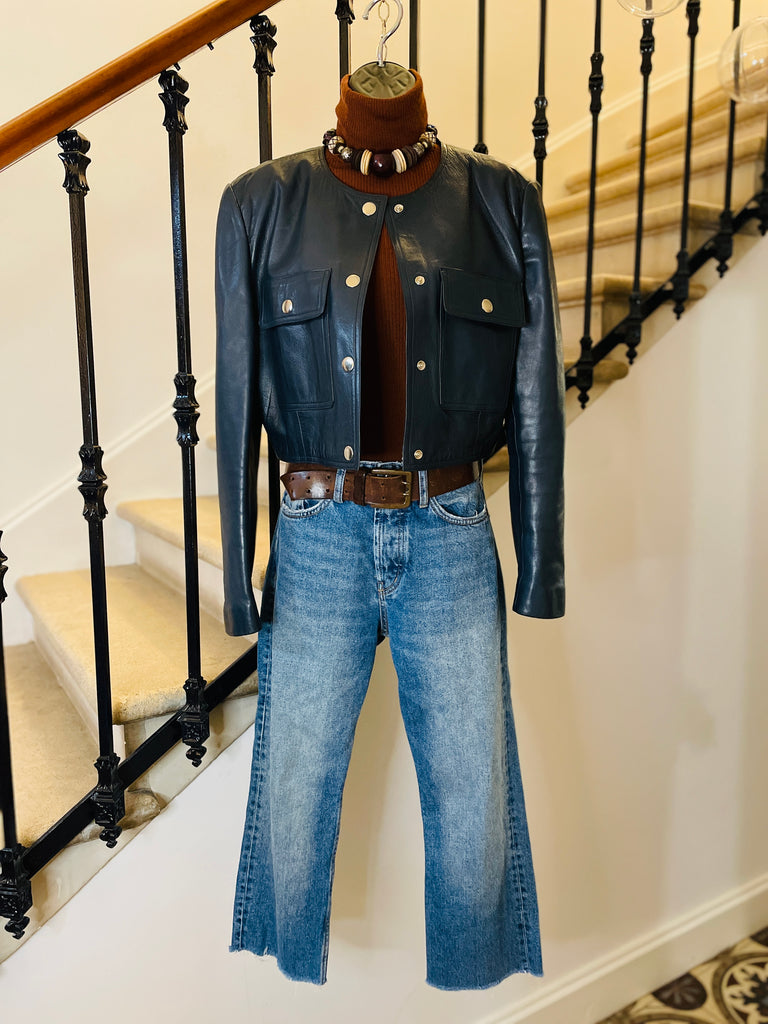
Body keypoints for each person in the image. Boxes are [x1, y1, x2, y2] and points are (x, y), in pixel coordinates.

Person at [216, 68, 565, 989]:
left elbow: (537, 391)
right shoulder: (261, 204)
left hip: (450, 525)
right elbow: (235, 398)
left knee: (473, 784)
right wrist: (237, 578)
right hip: (315, 532)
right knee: (295, 775)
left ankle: (475, 970)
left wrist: (542, 566)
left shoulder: (500, 203)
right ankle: (287, 949)